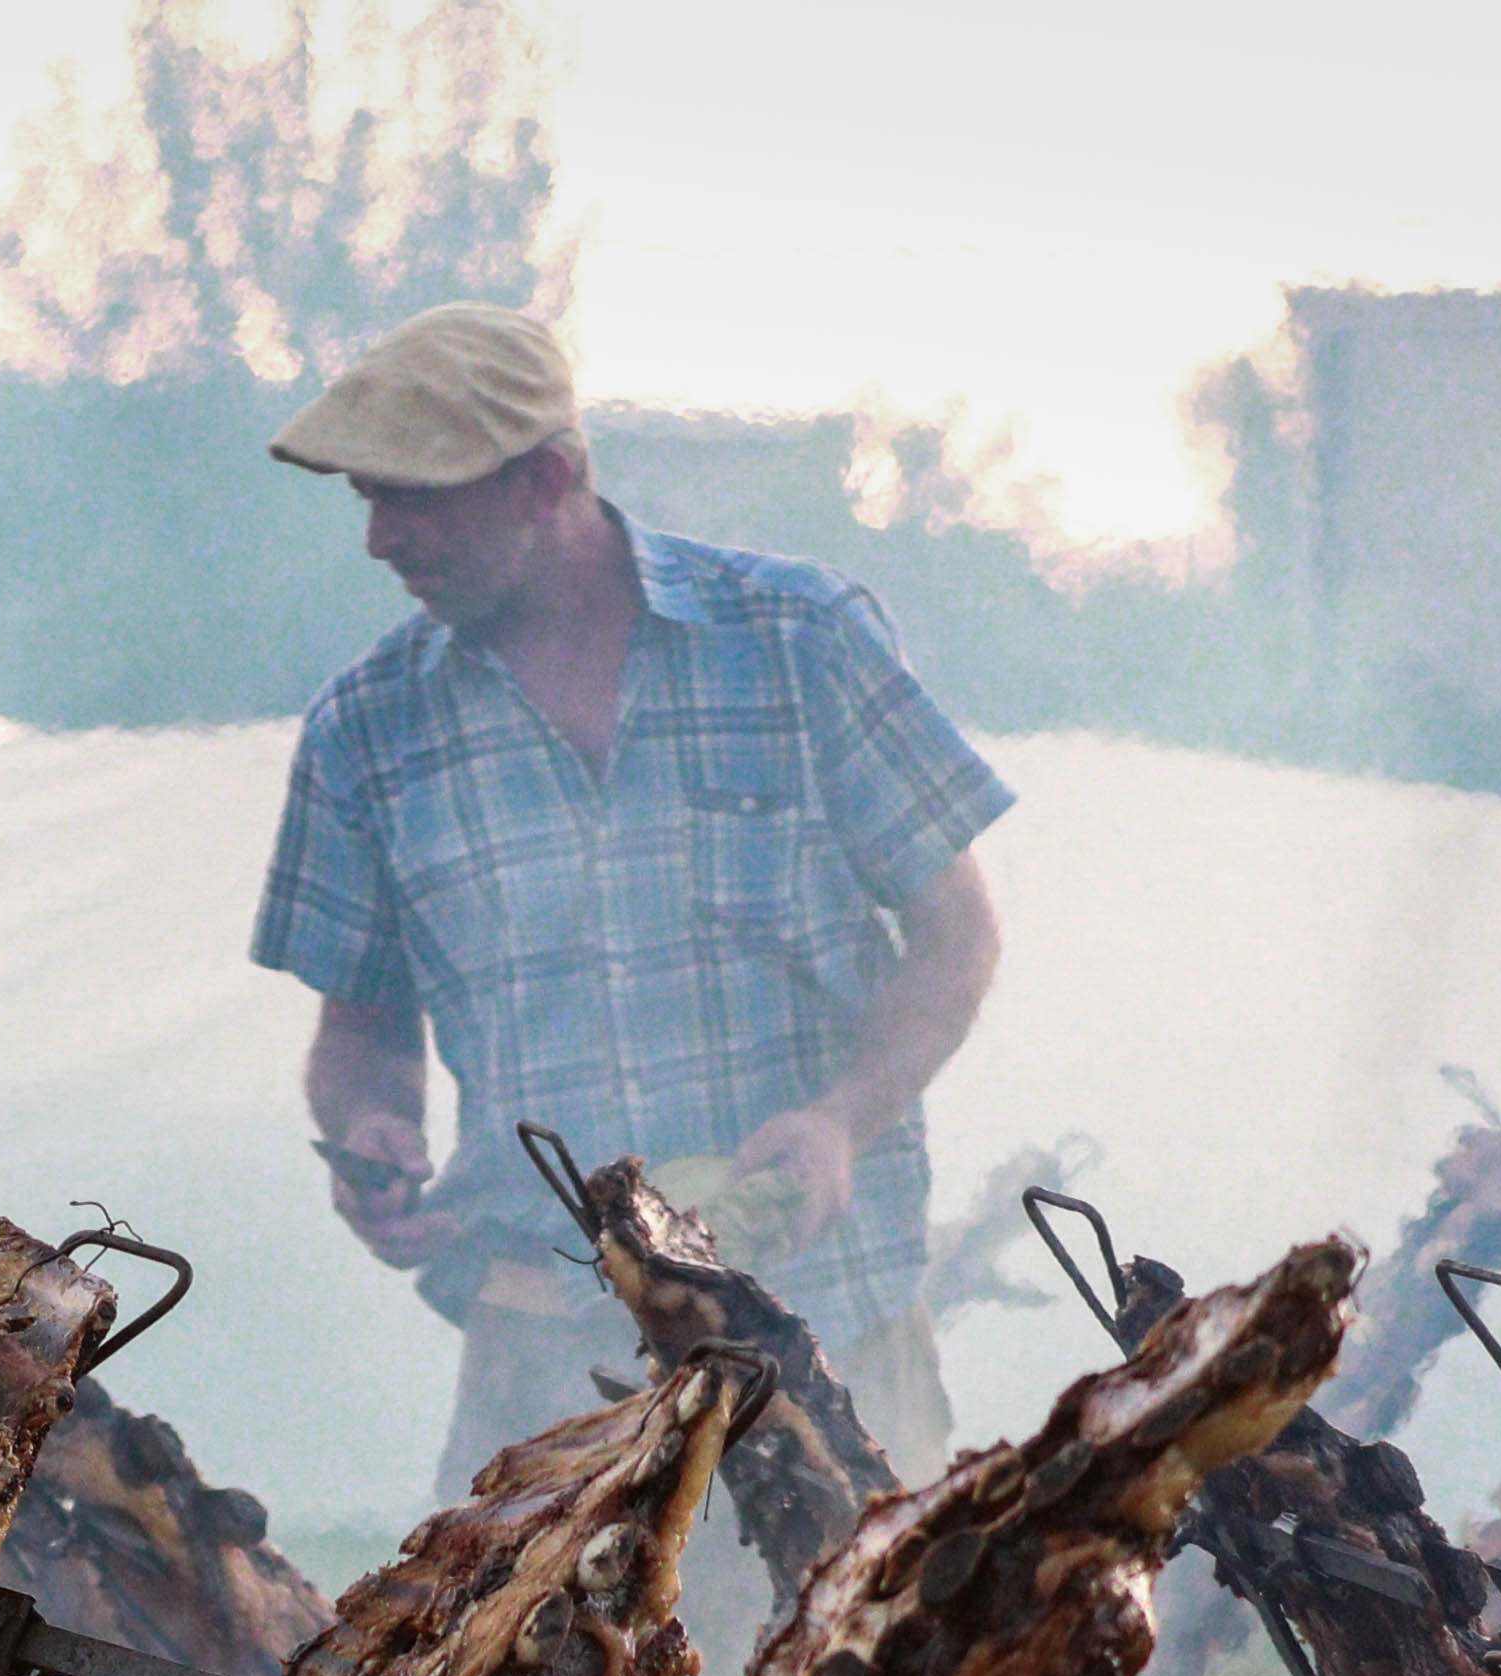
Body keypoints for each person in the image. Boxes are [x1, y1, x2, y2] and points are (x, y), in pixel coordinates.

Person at [249, 301, 1013, 1501]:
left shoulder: (798, 639)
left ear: (548, 479)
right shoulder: (366, 728)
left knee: (870, 1626)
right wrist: (372, 1130)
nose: (382, 539)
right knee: (502, 1632)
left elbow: (957, 937)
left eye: (417, 499)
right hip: (544, 1358)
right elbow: (362, 1032)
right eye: (368, 498)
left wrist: (841, 1122)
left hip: (830, 1331)